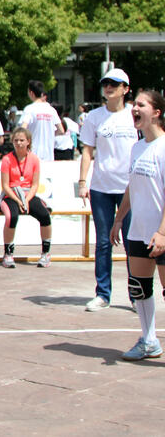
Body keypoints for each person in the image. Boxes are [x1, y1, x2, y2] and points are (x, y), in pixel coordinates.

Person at [110, 90, 165, 360]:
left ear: (156, 112)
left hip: (161, 232)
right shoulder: (137, 147)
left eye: (141, 104)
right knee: (139, 288)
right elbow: (132, 186)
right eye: (134, 104)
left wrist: (162, 232)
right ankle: (149, 340)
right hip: (139, 231)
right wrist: (119, 218)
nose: (135, 108)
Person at [79, 68, 138, 311]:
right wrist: (83, 182)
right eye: (105, 83)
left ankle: (137, 295)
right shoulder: (94, 117)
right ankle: (103, 293)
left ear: (125, 89)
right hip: (101, 188)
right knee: (103, 242)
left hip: (130, 189)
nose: (109, 87)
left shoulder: (134, 116)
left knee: (132, 242)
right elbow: (87, 151)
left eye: (115, 84)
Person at [0, 127, 52, 268]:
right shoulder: (7, 159)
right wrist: (18, 200)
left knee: (45, 215)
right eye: (16, 140)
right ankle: (8, 254)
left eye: (22, 140)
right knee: (11, 217)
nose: (19, 143)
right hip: (11, 195)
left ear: (28, 142)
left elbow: (35, 184)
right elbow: (5, 186)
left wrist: (26, 200)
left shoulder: (34, 159)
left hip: (29, 194)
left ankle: (46, 253)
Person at [19, 80, 65, 162]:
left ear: (31, 93)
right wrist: (50, 133)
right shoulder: (51, 110)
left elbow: (22, 129)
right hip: (49, 156)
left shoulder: (30, 109)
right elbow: (61, 130)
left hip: (32, 155)